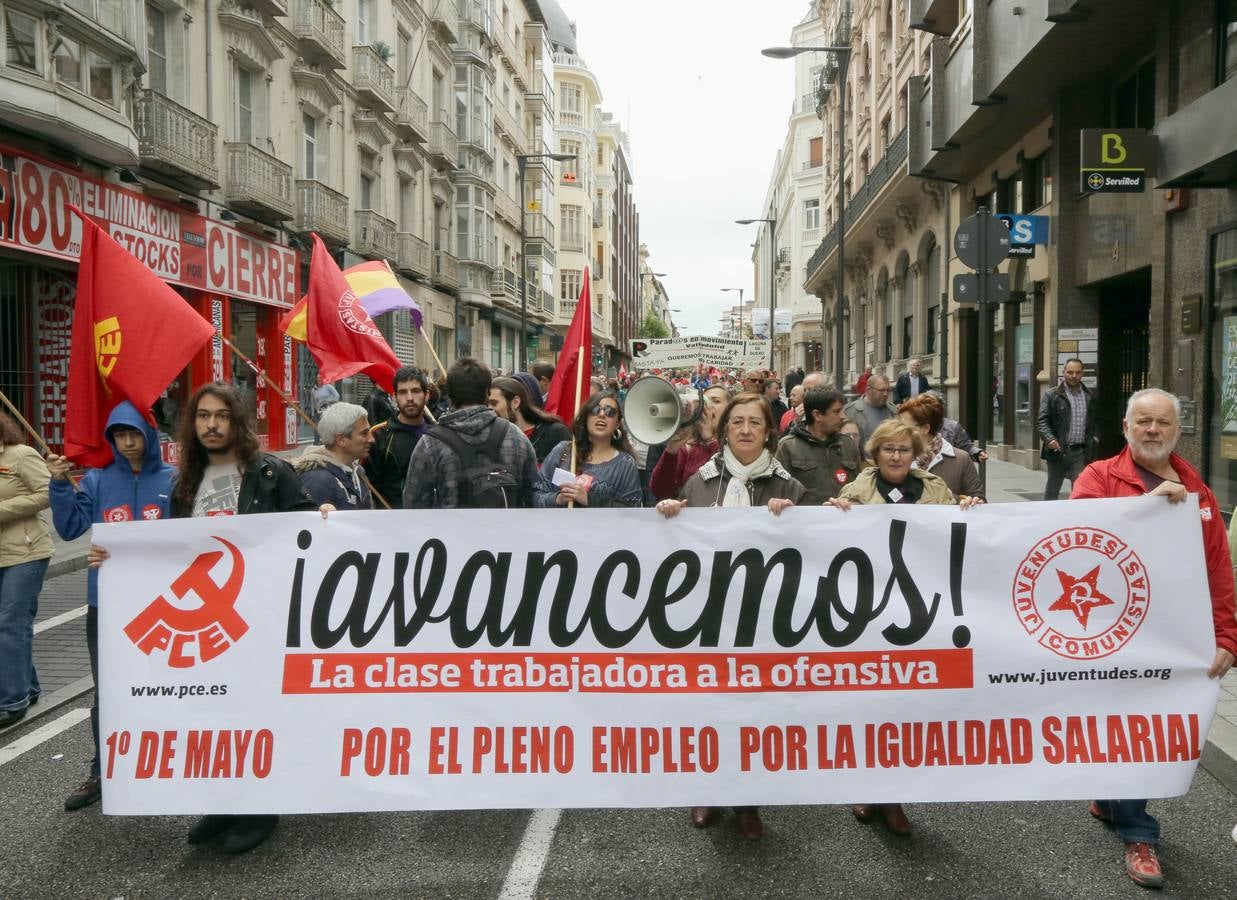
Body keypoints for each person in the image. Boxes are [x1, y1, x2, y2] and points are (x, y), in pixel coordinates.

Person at [1070, 388, 1236, 889]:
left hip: (1172, 637)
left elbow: (1217, 569)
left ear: (1177, 431)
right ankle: (1130, 818)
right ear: (1126, 427)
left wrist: (1227, 633)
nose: (1152, 430)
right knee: (1119, 724)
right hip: (1109, 632)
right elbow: (1076, 536)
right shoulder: (1098, 477)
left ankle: (1130, 818)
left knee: (1143, 729)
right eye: (1143, 421)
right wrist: (1146, 508)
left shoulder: (1199, 491)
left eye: (1162, 423)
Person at [167, 383, 317, 852]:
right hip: (208, 619)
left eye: (221, 416)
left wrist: (324, 514)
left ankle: (259, 808)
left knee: (255, 712)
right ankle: (222, 803)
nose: (211, 425)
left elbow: (306, 521)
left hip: (260, 617)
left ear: (238, 421)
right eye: (203, 416)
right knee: (211, 713)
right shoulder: (187, 480)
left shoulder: (270, 472)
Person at [656, 392, 805, 841]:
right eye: (736, 421)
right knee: (709, 706)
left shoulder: (789, 488)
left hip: (763, 619)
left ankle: (747, 801)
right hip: (708, 616)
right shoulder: (699, 483)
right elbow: (678, 548)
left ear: (767, 432)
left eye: (754, 423)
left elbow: (814, 551)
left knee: (754, 711)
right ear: (724, 431)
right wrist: (671, 515)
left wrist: (797, 520)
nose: (744, 429)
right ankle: (707, 789)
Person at [826, 419, 978, 836]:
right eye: (888, 450)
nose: (896, 457)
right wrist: (828, 516)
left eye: (903, 450)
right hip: (866, 614)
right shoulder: (854, 492)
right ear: (875, 455)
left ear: (915, 455)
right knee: (866, 704)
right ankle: (864, 786)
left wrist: (972, 510)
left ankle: (892, 796)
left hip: (918, 613)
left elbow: (961, 541)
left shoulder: (936, 492)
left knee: (904, 708)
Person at [46, 402, 175, 810]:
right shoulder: (99, 480)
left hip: (163, 608)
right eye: (120, 435)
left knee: (169, 685)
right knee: (109, 690)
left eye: (134, 433)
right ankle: (102, 769)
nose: (128, 442)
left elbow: (195, 536)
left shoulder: (174, 479)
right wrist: (61, 485)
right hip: (107, 604)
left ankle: (172, 765)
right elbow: (69, 527)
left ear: (149, 435)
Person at [403, 358, 539, 509]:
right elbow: (534, 499)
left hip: (450, 531)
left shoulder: (430, 444)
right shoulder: (516, 437)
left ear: (450, 395)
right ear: (487, 392)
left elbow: (413, 506)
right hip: (506, 531)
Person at [0, 413, 53, 729]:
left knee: (10, 623)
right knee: (9, 625)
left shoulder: (19, 454)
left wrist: (3, 510)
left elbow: (48, 493)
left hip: (27, 551)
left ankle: (12, 700)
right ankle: (29, 688)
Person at [534, 392, 643, 509]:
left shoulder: (625, 465)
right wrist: (558, 499)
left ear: (617, 423)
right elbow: (535, 495)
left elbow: (632, 510)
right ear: (586, 417)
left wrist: (589, 499)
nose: (601, 414)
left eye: (610, 412)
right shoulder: (562, 451)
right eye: (595, 409)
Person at [775, 387, 860, 505]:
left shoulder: (848, 445)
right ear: (817, 415)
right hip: (805, 522)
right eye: (836, 411)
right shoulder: (788, 447)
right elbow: (779, 493)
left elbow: (859, 491)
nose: (842, 416)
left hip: (843, 520)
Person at [364, 366, 431, 508]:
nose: (410, 398)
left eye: (416, 391)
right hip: (394, 522)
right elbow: (370, 487)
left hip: (433, 521)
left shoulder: (438, 434)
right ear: (394, 397)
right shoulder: (379, 436)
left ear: (426, 395)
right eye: (403, 392)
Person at [648, 385, 731, 500]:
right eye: (704, 402)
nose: (707, 407)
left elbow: (731, 476)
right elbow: (660, 492)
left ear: (730, 409)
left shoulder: (737, 444)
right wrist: (671, 451)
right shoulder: (688, 447)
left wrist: (710, 440)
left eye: (716, 401)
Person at [898, 394, 984, 502]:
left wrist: (967, 501)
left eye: (904, 427)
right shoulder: (894, 457)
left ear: (925, 428)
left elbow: (979, 500)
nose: (898, 430)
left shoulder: (961, 459)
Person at [294, 402, 374, 510]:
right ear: (341, 440)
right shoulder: (317, 481)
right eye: (364, 433)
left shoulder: (359, 472)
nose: (372, 439)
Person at [1038, 358, 1097, 500]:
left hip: (1080, 453)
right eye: (1070, 372)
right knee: (1052, 491)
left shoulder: (1089, 395)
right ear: (1063, 372)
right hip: (1058, 451)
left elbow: (1096, 420)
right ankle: (1048, 518)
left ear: (1082, 373)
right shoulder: (1052, 395)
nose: (1073, 376)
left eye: (1077, 372)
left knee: (1080, 491)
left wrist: (1095, 436)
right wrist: (1050, 439)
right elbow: (1042, 421)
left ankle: (1075, 519)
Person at [488, 375, 571, 463]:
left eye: (494, 403)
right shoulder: (490, 437)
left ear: (515, 402)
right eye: (486, 404)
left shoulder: (556, 433)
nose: (489, 409)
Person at [843, 375, 896, 448]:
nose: (885, 394)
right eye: (882, 390)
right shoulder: (851, 411)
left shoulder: (893, 410)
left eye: (888, 390)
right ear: (868, 390)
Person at [310, 377, 339, 445]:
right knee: (317, 427)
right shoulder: (313, 390)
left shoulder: (328, 386)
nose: (319, 379)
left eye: (320, 378)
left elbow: (337, 396)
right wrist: (312, 414)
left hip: (327, 411)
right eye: (317, 378)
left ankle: (326, 442)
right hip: (318, 411)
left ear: (323, 379)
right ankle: (316, 443)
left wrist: (326, 401)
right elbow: (312, 402)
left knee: (326, 427)